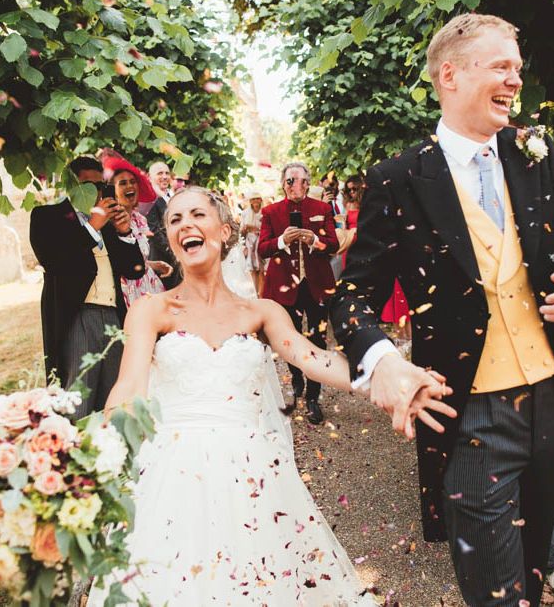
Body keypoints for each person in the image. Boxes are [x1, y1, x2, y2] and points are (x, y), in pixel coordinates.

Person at [88, 187, 454, 606]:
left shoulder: (261, 312)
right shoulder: (152, 310)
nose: (185, 224)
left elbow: (317, 360)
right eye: (174, 220)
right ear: (170, 239)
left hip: (252, 475)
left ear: (224, 231)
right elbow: (128, 389)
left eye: (197, 215)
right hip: (172, 475)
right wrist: (91, 452)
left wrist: (388, 373)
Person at [331, 13, 554, 607]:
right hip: (469, 415)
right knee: (496, 592)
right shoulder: (399, 178)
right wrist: (381, 358)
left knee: (539, 571)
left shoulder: (537, 155)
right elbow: (351, 296)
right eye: (501, 67)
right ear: (451, 76)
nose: (516, 80)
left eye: (518, 67)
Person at [29, 157, 144, 415]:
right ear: (72, 187)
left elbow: (135, 269)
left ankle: (112, 450)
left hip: (114, 316)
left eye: (98, 185)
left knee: (114, 398)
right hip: (78, 315)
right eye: (87, 185)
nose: (94, 192)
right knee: (78, 399)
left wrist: (125, 232)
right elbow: (54, 261)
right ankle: (75, 450)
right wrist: (92, 226)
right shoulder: (48, 217)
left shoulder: (109, 223)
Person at [258, 162, 339, 424]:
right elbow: (263, 249)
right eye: (291, 181)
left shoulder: (322, 209)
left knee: (317, 339)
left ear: (308, 183)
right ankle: (296, 377)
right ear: (283, 184)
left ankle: (313, 397)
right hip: (284, 288)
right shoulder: (270, 211)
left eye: (302, 180)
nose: (296, 185)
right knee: (289, 338)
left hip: (316, 285)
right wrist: (283, 240)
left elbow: (333, 245)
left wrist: (314, 240)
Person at [106, 154, 172, 305]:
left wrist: (151, 264)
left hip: (150, 287)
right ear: (113, 191)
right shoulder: (111, 223)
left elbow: (134, 257)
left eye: (132, 182)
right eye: (122, 183)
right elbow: (118, 263)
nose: (129, 186)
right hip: (128, 294)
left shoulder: (139, 219)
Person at [145, 161, 181, 290]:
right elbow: (154, 231)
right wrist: (174, 251)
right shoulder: (150, 198)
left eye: (167, 173)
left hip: (176, 258)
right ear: (150, 177)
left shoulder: (171, 196)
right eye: (160, 173)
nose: (165, 176)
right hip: (161, 258)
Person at [240, 189, 265, 296]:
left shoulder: (265, 212)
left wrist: (255, 228)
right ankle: (255, 294)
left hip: (262, 241)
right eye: (253, 199)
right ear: (250, 201)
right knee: (252, 269)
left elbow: (267, 228)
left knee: (262, 270)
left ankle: (261, 294)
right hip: (250, 243)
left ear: (260, 200)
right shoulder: (245, 213)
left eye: (257, 199)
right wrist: (246, 229)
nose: (255, 201)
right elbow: (241, 229)